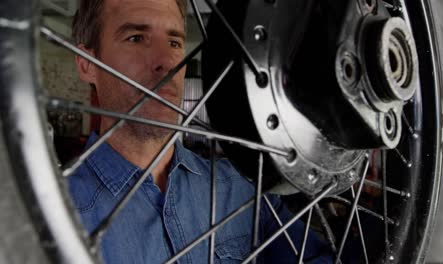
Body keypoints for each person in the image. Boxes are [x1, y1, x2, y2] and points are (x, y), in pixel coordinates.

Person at [68, 0, 332, 263]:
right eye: (136, 38)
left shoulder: (241, 189)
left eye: (174, 42)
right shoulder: (55, 214)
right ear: (86, 64)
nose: (166, 62)